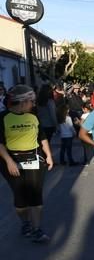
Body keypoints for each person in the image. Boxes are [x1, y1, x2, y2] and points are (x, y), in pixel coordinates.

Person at [0, 85, 53, 242]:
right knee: (20, 198)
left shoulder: (33, 116)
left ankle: (37, 230)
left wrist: (49, 155)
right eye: (32, 101)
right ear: (22, 102)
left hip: (34, 158)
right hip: (11, 160)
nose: (34, 104)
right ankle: (25, 222)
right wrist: (9, 161)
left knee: (36, 195)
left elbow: (42, 137)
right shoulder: (2, 117)